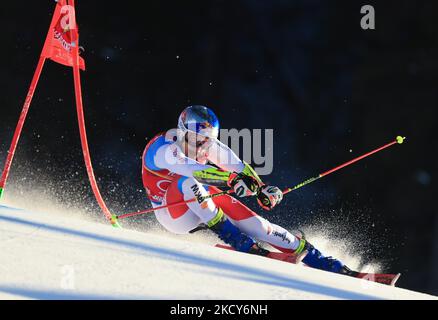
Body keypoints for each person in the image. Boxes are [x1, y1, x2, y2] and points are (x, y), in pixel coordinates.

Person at [142, 105, 357, 275]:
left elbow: (238, 167)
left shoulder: (208, 146)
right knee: (187, 182)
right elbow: (194, 170)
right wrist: (233, 180)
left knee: (261, 226)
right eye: (196, 139)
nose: (202, 146)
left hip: (203, 200)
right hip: (173, 215)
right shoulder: (163, 150)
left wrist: (261, 189)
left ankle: (318, 259)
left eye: (207, 141)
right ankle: (237, 240)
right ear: (182, 133)